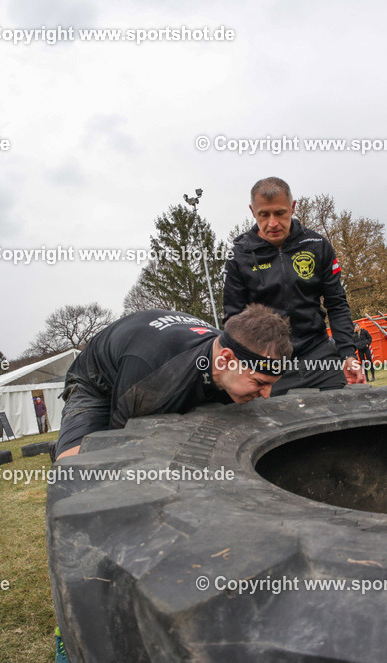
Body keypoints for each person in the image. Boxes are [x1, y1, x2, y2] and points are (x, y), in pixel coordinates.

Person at [55, 305, 291, 460]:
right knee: (79, 466)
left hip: (154, 369)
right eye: (259, 382)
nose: (267, 394)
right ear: (227, 359)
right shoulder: (153, 378)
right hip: (98, 384)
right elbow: (119, 442)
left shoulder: (233, 352)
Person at [223, 177, 365, 395]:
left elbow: (336, 304)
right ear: (253, 211)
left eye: (280, 213)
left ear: (292, 207)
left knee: (346, 416)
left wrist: (348, 354)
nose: (272, 223)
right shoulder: (238, 256)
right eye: (264, 214)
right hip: (269, 363)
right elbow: (233, 317)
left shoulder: (317, 246)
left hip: (319, 355)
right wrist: (244, 365)